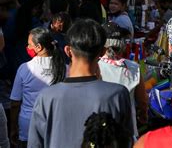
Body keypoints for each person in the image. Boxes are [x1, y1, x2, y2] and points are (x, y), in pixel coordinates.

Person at [28, 19, 133, 148]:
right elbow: (127, 141)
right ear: (102, 52)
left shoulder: (47, 97)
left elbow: (35, 144)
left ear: (68, 50)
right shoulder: (117, 95)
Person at [9, 28, 66, 147]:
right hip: (57, 124)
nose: (28, 47)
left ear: (38, 47)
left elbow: (15, 103)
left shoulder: (25, 69)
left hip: (28, 126)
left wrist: (13, 127)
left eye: (29, 45)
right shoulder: (66, 69)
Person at [98, 22, 148, 139]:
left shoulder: (95, 67)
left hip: (102, 132)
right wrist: (143, 115)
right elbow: (142, 101)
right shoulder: (133, 67)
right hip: (127, 133)